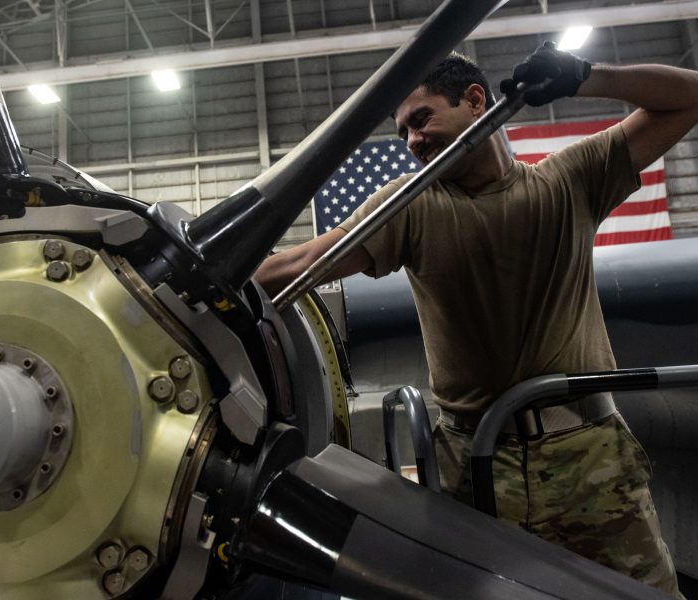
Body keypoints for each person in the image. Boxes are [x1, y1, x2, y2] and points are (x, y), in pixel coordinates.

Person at [255, 43, 698, 597]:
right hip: (476, 468)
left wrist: (585, 78)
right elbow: (301, 264)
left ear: (474, 100)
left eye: (421, 119)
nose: (412, 141)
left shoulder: (569, 181)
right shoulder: (410, 206)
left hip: (590, 458)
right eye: (403, 133)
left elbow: (689, 97)